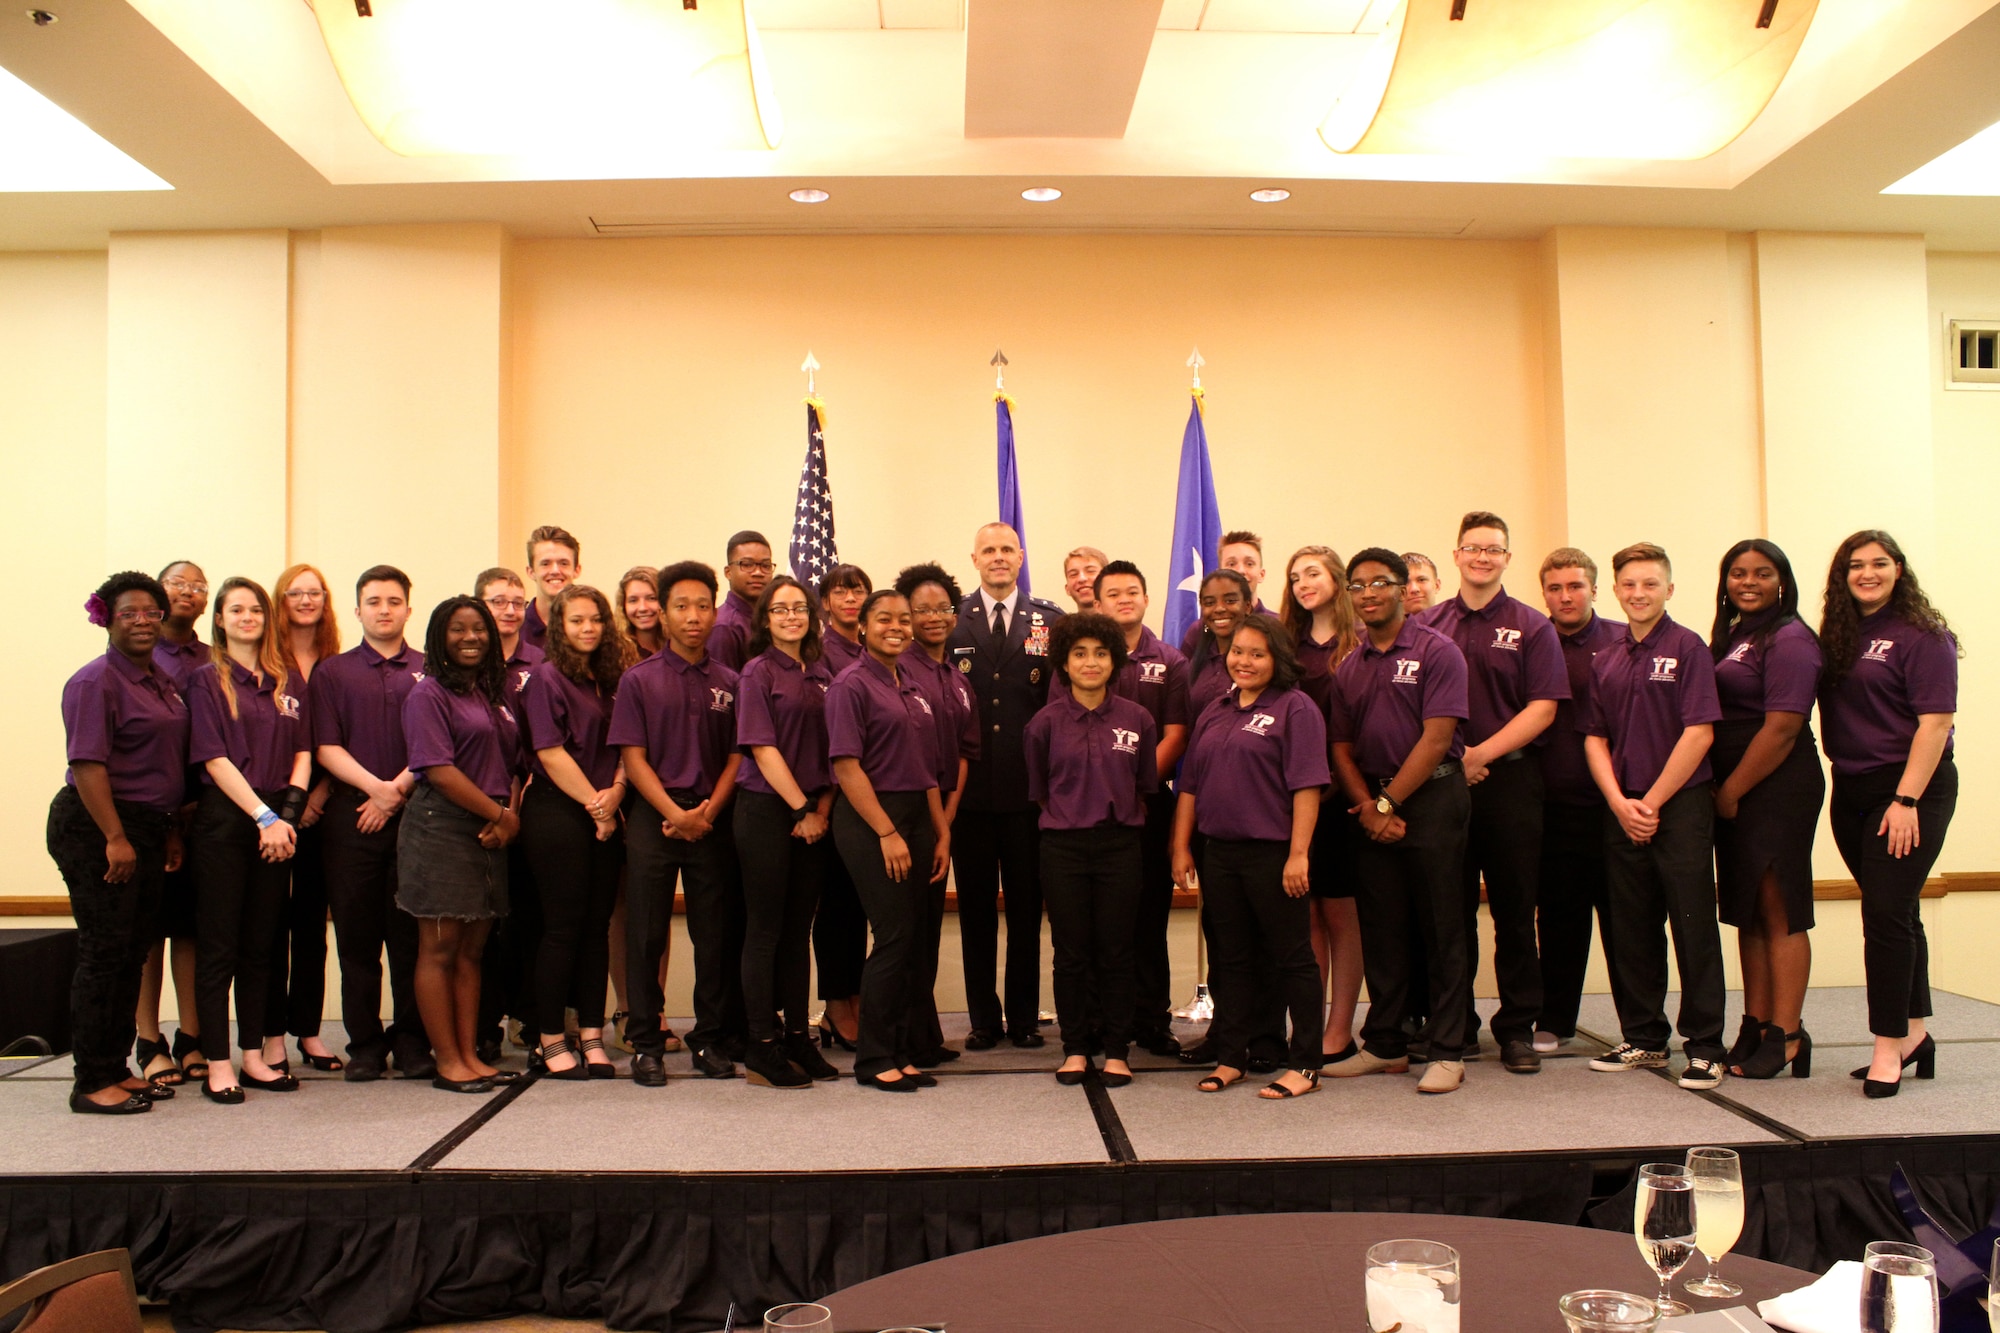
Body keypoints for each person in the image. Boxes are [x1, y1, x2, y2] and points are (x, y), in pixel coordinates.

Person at [1414, 512, 1568, 1075]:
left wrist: (1481, 754)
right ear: (1455, 555)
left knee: (1513, 911)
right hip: (1441, 785)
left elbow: (1544, 707)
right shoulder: (1427, 626)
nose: (1483, 557)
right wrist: (1457, 759)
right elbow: (1414, 710)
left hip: (1511, 783)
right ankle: (1454, 1027)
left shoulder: (1533, 626)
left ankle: (1517, 1029)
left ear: (1508, 558)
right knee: (1446, 912)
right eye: (1472, 548)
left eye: (1494, 549)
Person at [1818, 530, 1960, 1098]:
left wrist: (1905, 801)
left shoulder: (1923, 636)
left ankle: (1885, 1047)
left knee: (1883, 914)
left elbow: (1936, 723)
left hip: (1909, 789)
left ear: (1899, 570)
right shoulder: (1841, 634)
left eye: (1879, 563)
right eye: (1856, 565)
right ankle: (1916, 1034)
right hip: (1850, 786)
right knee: (1897, 910)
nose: (1867, 573)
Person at [1326, 550, 1474, 1095]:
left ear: (1402, 588)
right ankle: (1384, 1044)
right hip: (1370, 803)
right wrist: (1369, 805)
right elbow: (1340, 746)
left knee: (1442, 927)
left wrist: (1384, 806)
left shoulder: (1439, 652)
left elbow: (1438, 737)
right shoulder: (1350, 665)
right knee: (1383, 927)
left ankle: (1448, 1050)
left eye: (1379, 583)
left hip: (1433, 796)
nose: (1368, 594)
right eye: (1357, 585)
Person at [1581, 543, 1727, 1090]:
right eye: (1629, 584)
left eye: (1650, 584)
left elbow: (1700, 732)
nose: (1638, 594)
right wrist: (1621, 802)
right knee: (1631, 928)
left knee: (1692, 926)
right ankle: (1644, 1038)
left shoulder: (1688, 648)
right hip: (1622, 807)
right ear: (1616, 590)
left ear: (1669, 589)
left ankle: (1706, 1046)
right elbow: (1595, 737)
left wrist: (1654, 803)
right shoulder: (1608, 657)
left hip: (1680, 804)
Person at [1173, 613, 1328, 1099]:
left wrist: (1298, 854)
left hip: (1274, 854)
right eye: (1237, 651)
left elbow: (1307, 787)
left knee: (1292, 959)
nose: (1244, 661)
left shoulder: (1296, 709)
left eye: (1257, 653)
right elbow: (1191, 786)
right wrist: (1180, 845)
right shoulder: (1215, 709)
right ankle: (1231, 1058)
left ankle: (1304, 1065)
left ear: (1277, 659)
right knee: (1231, 961)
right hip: (1219, 853)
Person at [51, 572, 189, 1115]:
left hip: (151, 827)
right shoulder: (95, 682)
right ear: (106, 618)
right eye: (128, 612)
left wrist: (170, 828)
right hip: (98, 828)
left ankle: (116, 1066)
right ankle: (90, 1081)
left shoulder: (161, 679)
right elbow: (87, 764)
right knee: (104, 953)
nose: (140, 621)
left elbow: (166, 762)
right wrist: (115, 836)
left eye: (150, 612)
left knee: (132, 952)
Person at [609, 560, 745, 1085]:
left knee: (714, 935)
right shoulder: (638, 680)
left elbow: (739, 754)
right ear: (662, 615)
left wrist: (707, 812)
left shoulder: (731, 682)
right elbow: (632, 757)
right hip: (654, 819)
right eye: (681, 607)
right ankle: (646, 1041)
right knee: (645, 935)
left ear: (715, 611)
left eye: (702, 605)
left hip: (712, 818)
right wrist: (673, 813)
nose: (693, 616)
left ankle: (708, 1039)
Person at [185, 578, 310, 1103]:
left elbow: (304, 751)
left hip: (279, 820)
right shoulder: (204, 681)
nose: (247, 616)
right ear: (219, 619)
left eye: (255, 608)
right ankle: (219, 1062)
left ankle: (254, 1055)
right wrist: (263, 817)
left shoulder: (287, 680)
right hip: (228, 818)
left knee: (264, 945)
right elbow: (213, 759)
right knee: (220, 947)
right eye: (236, 609)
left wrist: (286, 817)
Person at [310, 565, 432, 1082]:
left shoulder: (431, 671)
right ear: (357, 610)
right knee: (357, 940)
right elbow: (325, 746)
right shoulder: (332, 673)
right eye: (374, 601)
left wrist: (396, 791)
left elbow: (437, 746)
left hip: (418, 819)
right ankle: (364, 1044)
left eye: (394, 600)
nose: (384, 609)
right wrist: (375, 791)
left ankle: (412, 1041)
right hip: (350, 820)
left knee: (411, 940)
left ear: (409, 608)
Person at [399, 596, 525, 1093]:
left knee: (472, 951)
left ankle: (470, 1055)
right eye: (458, 629)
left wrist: (506, 815)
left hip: (490, 828)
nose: (471, 637)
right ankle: (447, 1060)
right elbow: (437, 769)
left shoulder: (491, 695)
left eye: (479, 629)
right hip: (441, 828)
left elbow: (513, 762)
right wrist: (500, 816)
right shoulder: (428, 695)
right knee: (439, 948)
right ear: (438, 637)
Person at [1709, 539, 1825, 1080]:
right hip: (1737, 784)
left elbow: (1782, 728)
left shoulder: (1791, 638)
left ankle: (1788, 1033)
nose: (1747, 582)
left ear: (1782, 580)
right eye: (1737, 572)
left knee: (1779, 909)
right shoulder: (1735, 636)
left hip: (1776, 784)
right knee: (1748, 912)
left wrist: (1730, 790)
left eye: (1761, 573)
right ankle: (1755, 1024)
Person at [825, 589, 950, 1090]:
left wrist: (941, 832)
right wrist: (887, 832)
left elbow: (929, 772)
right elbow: (846, 766)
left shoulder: (913, 685)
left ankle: (900, 1047)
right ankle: (874, 1059)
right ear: (864, 625)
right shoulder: (849, 686)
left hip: (918, 817)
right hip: (873, 821)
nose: (896, 626)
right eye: (884, 619)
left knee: (913, 939)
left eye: (903, 619)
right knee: (894, 936)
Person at [1027, 613, 1158, 1087]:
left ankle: (1118, 1051)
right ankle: (1076, 1047)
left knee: (1118, 951)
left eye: (1101, 653)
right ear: (1063, 662)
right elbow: (1040, 789)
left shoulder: (1138, 719)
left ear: (1115, 660)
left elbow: (1144, 784)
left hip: (1120, 846)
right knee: (1071, 953)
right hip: (1062, 848)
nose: (1090, 662)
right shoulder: (1043, 724)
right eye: (1079, 653)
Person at [947, 521, 1062, 1050]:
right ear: (974, 559)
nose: (998, 558)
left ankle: (1022, 1018)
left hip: (1027, 795)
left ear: (1021, 557)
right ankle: (983, 1020)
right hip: (968, 796)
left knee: (1023, 910)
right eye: (988, 550)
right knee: (974, 912)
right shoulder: (951, 622)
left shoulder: (1050, 622)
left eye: (1006, 550)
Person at [733, 576, 841, 1088]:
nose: (792, 616)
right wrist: (801, 809)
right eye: (780, 609)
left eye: (800, 608)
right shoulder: (757, 672)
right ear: (766, 619)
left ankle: (799, 1037)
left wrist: (819, 807)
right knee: (766, 931)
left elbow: (837, 750)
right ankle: (762, 1044)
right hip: (767, 812)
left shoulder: (823, 672)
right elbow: (761, 747)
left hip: (814, 813)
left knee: (799, 933)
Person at [518, 585, 629, 1081]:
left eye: (595, 620)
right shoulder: (545, 678)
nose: (587, 629)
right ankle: (549, 1038)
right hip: (559, 812)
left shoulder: (612, 678)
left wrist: (618, 794)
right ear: (558, 627)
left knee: (596, 928)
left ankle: (591, 1034)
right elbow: (549, 751)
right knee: (561, 927)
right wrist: (596, 806)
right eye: (576, 621)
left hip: (607, 808)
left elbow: (629, 746)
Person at [1096, 561, 1191, 1057]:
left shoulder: (1172, 661)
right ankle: (1099, 1018)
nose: (1124, 599)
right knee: (1100, 920)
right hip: (1092, 809)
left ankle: (1151, 1019)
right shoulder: (1085, 657)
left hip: (1151, 804)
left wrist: (1135, 783)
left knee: (1149, 918)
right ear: (1099, 602)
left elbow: (1177, 732)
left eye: (1132, 591)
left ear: (1147, 599)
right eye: (1113, 593)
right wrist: (1105, 789)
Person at [1534, 549, 1624, 1055]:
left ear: (1594, 589)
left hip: (1615, 803)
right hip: (1552, 802)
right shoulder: (1533, 639)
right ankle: (1554, 1019)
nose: (1565, 597)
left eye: (1575, 586)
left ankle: (1639, 1022)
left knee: (1624, 918)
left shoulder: (1621, 640)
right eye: (1554, 588)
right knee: (1560, 917)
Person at [1278, 545, 1365, 1064]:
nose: (1303, 583)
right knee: (1305, 914)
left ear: (1337, 578)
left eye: (1312, 573)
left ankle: (1340, 1027)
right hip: (1296, 795)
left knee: (1341, 914)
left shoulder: (1360, 643)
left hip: (1346, 794)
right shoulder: (1287, 645)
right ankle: (1308, 1024)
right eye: (1294, 578)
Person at [895, 563, 980, 1066]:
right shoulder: (898, 671)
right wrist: (938, 822)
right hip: (906, 813)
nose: (932, 618)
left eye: (941, 608)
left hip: (941, 815)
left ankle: (924, 1034)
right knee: (904, 930)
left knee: (926, 926)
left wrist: (947, 819)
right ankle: (902, 1037)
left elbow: (967, 753)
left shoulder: (957, 677)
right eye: (919, 610)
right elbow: (916, 759)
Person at [268, 562, 343, 1073]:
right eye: (296, 592)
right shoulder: (266, 663)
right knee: (270, 925)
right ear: (281, 600)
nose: (306, 600)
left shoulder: (338, 663)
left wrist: (319, 794)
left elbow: (345, 738)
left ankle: (309, 1033)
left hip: (325, 809)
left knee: (312, 926)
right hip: (270, 809)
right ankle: (271, 1033)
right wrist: (292, 803)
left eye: (315, 592)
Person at [138, 558, 208, 1086]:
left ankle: (191, 1035)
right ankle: (147, 1038)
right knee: (148, 931)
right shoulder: (138, 656)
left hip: (199, 812)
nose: (189, 591)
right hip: (146, 813)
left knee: (191, 929)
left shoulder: (212, 660)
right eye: (178, 583)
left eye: (198, 585)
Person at [476, 566, 545, 1062]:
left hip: (528, 804)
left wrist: (514, 811)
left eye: (516, 602)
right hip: (472, 807)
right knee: (479, 922)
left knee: (527, 917)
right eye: (497, 601)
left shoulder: (540, 664)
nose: (508, 610)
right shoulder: (463, 664)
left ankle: (527, 1014)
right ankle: (481, 1023)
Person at [812, 562, 873, 1046]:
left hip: (873, 796)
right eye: (840, 591)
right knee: (835, 908)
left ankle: (853, 998)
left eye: (858, 591)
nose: (850, 598)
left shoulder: (874, 651)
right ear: (826, 601)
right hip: (833, 796)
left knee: (858, 907)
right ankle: (835, 1004)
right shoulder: (820, 653)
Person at [1179, 531, 1270, 654]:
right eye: (1231, 564)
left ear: (1261, 574)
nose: (1240, 570)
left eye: (1249, 564)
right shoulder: (1199, 631)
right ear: (1220, 572)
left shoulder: (1277, 626)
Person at [1185, 569, 1254, 723]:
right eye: (1209, 603)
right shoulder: (1196, 655)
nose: (1219, 608)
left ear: (1247, 606)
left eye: (1230, 601)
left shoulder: (1259, 659)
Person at [712, 531, 775, 671]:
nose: (758, 572)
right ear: (728, 572)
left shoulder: (771, 619)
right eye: (747, 565)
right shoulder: (725, 626)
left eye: (765, 565)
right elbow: (723, 688)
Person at [521, 525, 582, 649]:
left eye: (563, 563)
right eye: (545, 564)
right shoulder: (516, 629)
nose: (555, 570)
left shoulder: (591, 629)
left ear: (577, 570)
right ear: (531, 571)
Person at [618, 566, 664, 661]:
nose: (643, 608)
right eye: (633, 600)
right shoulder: (615, 652)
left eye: (651, 598)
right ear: (623, 606)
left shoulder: (679, 647)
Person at [1062, 546, 1107, 613]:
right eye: (1074, 574)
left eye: (1090, 571)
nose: (1082, 578)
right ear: (1067, 589)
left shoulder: (1125, 622)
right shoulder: (1062, 623)